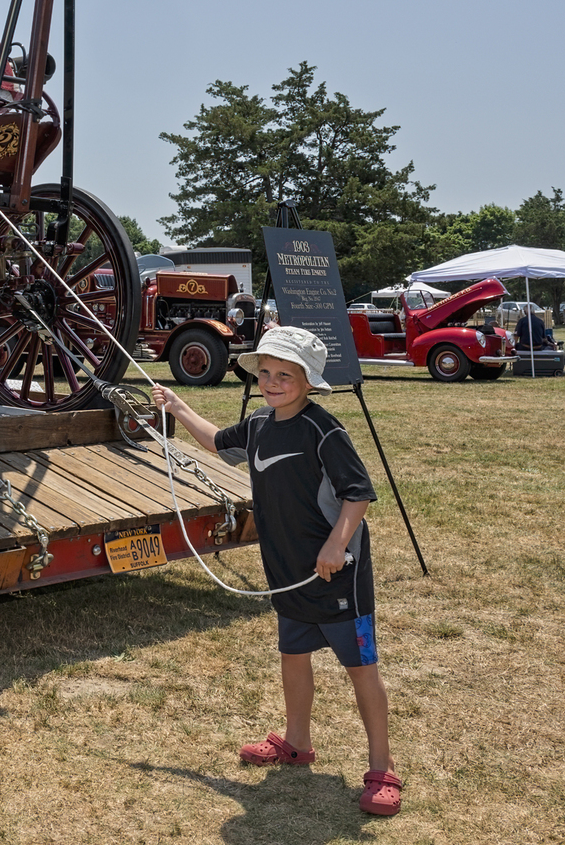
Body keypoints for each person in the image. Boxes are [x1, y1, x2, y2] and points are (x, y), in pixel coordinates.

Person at [151, 326, 402, 817]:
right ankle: (297, 742)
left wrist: (334, 547)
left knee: (361, 668)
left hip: (337, 577)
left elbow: (358, 495)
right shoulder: (260, 424)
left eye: (285, 374)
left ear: (308, 381)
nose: (271, 381)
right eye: (265, 372)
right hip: (287, 573)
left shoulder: (323, 430)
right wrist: (178, 407)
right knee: (293, 656)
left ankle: (382, 766)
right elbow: (217, 442)